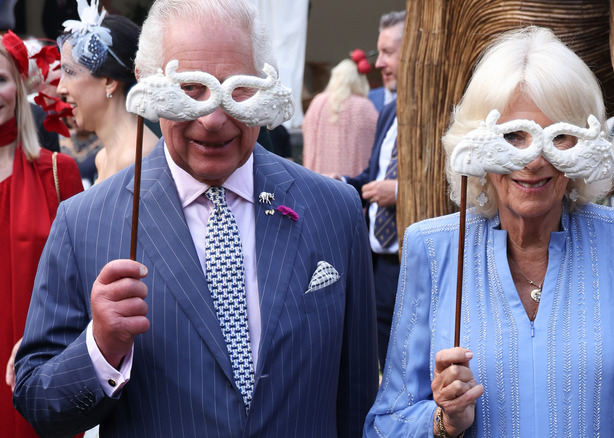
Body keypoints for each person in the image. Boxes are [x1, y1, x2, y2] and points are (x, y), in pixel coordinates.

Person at [13, 0, 378, 437]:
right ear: (151, 88)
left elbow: (358, 402)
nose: (214, 118)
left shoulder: (334, 210)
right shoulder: (86, 222)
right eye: (190, 89)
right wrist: (101, 349)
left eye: (236, 89)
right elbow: (38, 400)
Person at [364, 27, 614, 437]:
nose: (534, 160)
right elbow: (387, 424)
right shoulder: (434, 248)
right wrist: (444, 420)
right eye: (513, 136)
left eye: (558, 137)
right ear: (477, 146)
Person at [1, 30, 83, 438]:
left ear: (18, 86)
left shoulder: (57, 171)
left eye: (0, 79)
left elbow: (84, 278)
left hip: (35, 363)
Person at [337, 10, 403, 370]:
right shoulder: (389, 112)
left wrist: (403, 192)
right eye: (379, 53)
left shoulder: (445, 116)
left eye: (389, 53)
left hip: (411, 261)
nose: (381, 64)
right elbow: (371, 174)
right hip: (376, 261)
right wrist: (342, 184)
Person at [56, 1, 157, 184]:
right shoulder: (103, 157)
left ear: (109, 82)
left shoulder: (136, 159)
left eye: (70, 72)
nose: (60, 88)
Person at [302, 55, 378, 176]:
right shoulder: (364, 106)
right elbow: (377, 141)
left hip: (317, 180)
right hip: (351, 184)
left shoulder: (317, 102)